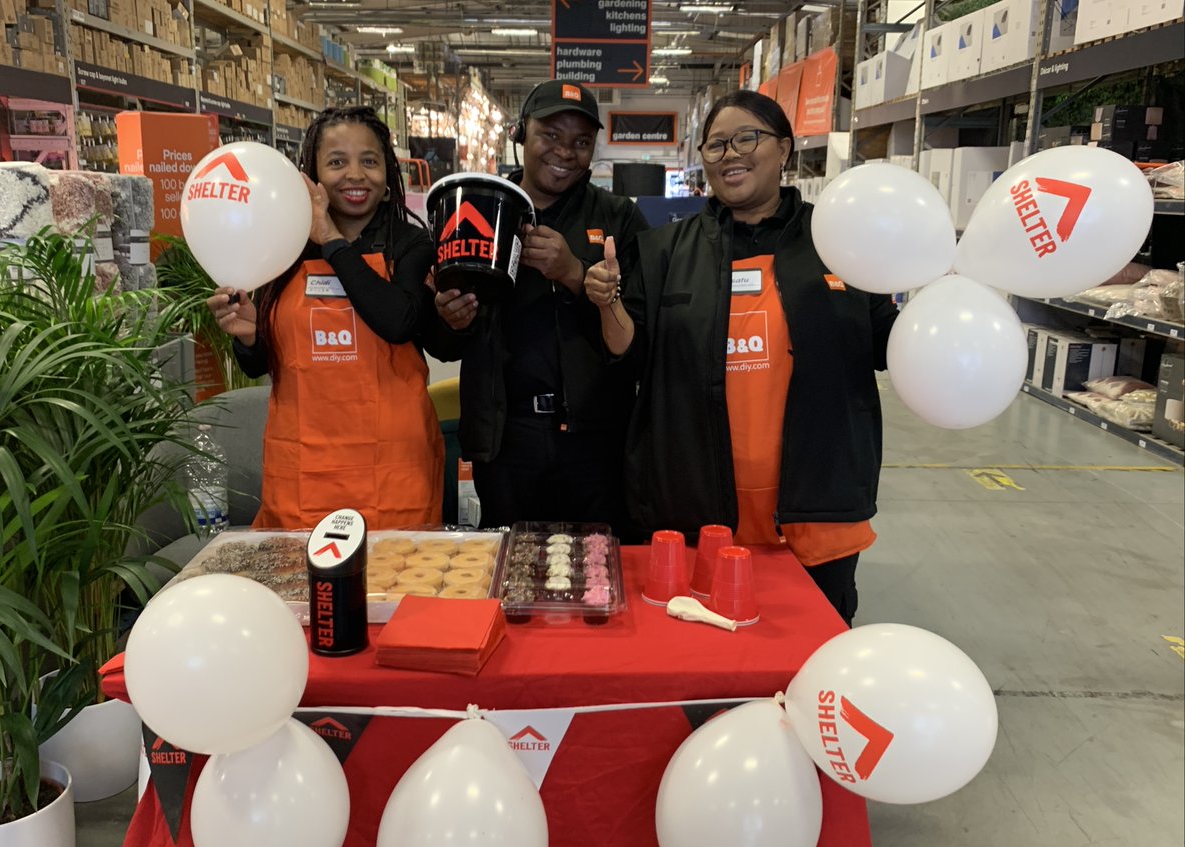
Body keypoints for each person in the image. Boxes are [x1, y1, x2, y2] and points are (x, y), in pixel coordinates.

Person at [584, 90, 898, 625]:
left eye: (747, 138)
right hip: (697, 509)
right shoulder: (666, 251)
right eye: (716, 144)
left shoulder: (840, 242)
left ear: (785, 150)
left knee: (811, 648)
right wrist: (607, 300)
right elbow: (628, 352)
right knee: (702, 660)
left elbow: (885, 346)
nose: (731, 154)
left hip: (815, 507)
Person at [206, 106, 444, 531]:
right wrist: (247, 336)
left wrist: (331, 240)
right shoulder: (284, 245)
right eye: (337, 162)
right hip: (303, 470)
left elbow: (398, 322)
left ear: (387, 175)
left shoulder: (410, 243)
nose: (355, 174)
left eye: (369, 161)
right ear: (312, 175)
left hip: (393, 471)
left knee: (396, 587)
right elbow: (261, 364)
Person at [427, 80, 649, 535]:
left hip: (597, 441)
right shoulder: (476, 210)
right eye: (551, 134)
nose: (565, 152)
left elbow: (639, 339)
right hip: (507, 441)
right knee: (510, 573)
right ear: (520, 133)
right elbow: (447, 344)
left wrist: (572, 272)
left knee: (599, 574)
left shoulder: (619, 218)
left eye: (581, 142)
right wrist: (450, 319)